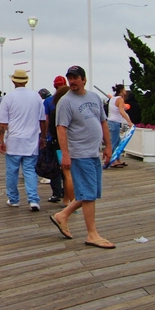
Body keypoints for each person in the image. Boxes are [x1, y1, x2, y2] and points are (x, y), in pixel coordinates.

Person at [50, 66, 115, 249]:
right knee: (88, 195)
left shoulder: (94, 97)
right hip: (79, 153)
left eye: (76, 78)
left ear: (84, 79)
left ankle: (62, 215)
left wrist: (108, 146)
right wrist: (66, 155)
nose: (72, 81)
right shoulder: (66, 102)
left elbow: (102, 122)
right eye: (69, 78)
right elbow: (61, 129)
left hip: (94, 152)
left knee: (90, 192)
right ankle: (92, 234)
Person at [0, 70, 46, 211]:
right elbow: (42, 119)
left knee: (12, 172)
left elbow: (3, 123)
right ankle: (33, 200)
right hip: (31, 140)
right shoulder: (36, 96)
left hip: (13, 140)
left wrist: (1, 140)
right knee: (30, 171)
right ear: (26, 80)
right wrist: (43, 137)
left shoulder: (9, 97)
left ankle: (14, 199)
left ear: (13, 81)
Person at [44, 76, 69, 203]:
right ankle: (68, 193)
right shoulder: (72, 100)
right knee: (68, 170)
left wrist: (45, 136)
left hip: (54, 139)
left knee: (54, 167)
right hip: (70, 140)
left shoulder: (48, 101)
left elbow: (46, 119)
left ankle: (56, 193)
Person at [106, 84, 134, 168]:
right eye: (124, 89)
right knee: (114, 143)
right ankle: (112, 161)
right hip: (114, 123)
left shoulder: (112, 99)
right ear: (121, 90)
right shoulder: (120, 99)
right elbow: (122, 112)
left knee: (118, 142)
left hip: (111, 121)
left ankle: (117, 160)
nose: (125, 91)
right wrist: (129, 122)